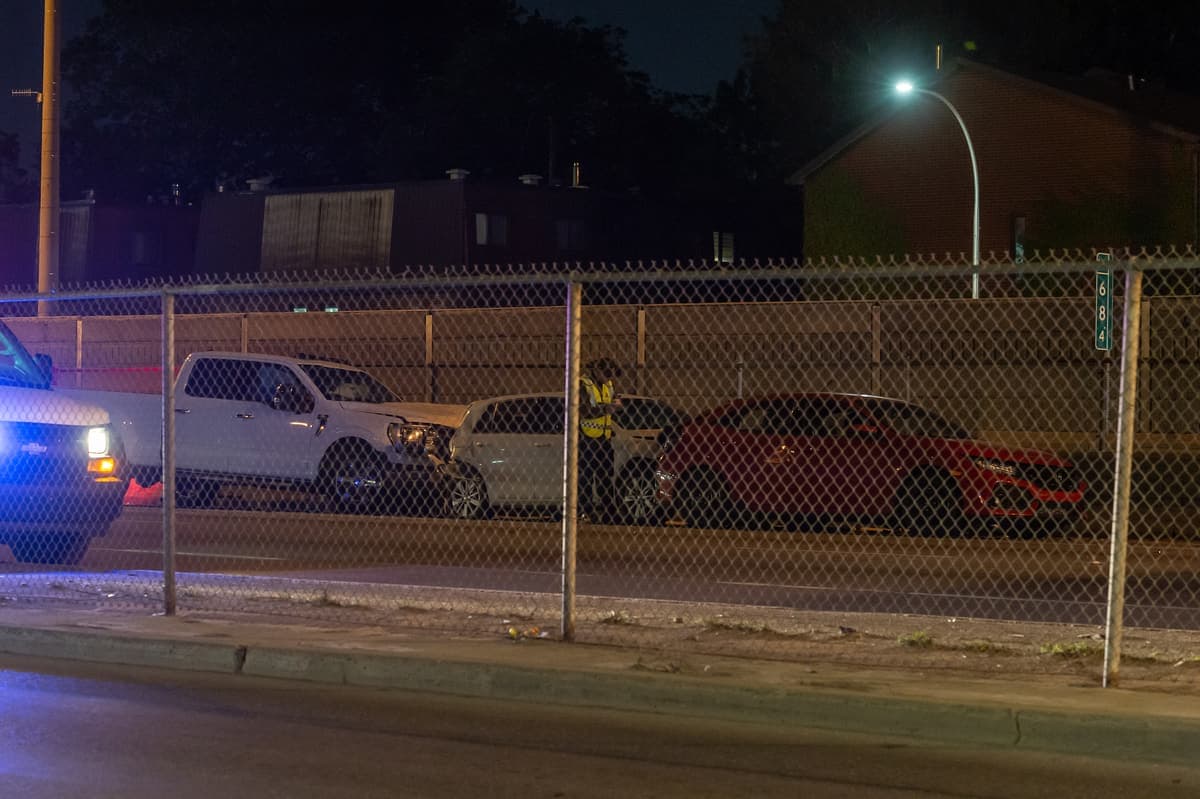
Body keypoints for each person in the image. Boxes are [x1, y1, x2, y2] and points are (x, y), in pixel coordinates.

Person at [579, 358, 622, 521]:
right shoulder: (584, 385)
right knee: (586, 478)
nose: (610, 379)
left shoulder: (608, 385)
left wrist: (616, 405)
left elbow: (609, 405)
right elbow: (582, 410)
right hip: (587, 438)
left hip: (604, 439)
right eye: (607, 374)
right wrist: (606, 409)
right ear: (597, 371)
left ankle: (609, 513)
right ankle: (585, 512)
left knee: (605, 477)